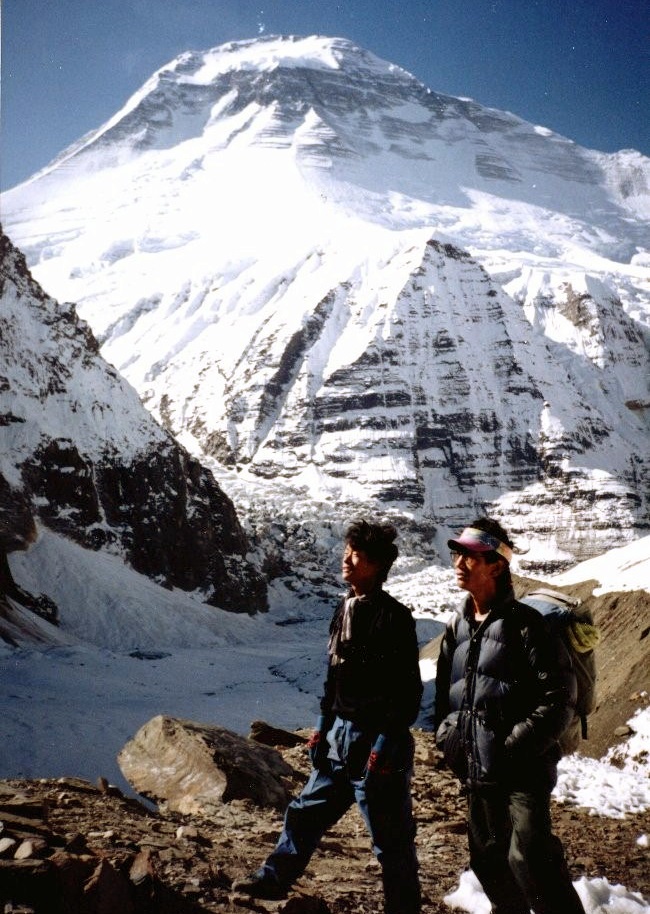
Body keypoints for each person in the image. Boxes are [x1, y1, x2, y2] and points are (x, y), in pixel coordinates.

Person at [233, 519, 423, 913]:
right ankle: (272, 879)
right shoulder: (345, 609)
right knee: (305, 813)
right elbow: (334, 677)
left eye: (357, 555)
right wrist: (321, 729)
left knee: (390, 840)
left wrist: (385, 744)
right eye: (347, 552)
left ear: (376, 565)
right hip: (340, 737)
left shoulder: (394, 618)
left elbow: (407, 692)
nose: (347, 561)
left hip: (376, 743)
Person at [434, 517, 586, 914]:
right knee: (489, 863)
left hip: (523, 770)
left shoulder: (527, 626)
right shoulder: (458, 627)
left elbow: (559, 698)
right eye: (458, 554)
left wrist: (512, 746)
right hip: (477, 768)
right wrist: (449, 738)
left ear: (497, 565)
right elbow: (445, 699)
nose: (459, 563)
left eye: (470, 556)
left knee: (532, 859)